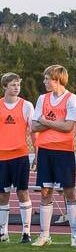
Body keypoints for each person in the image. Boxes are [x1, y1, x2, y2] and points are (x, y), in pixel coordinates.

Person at [30, 65, 76, 246]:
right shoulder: (42, 99)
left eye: (47, 79)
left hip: (64, 151)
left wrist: (45, 120)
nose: (44, 82)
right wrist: (54, 123)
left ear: (57, 79)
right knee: (45, 192)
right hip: (44, 150)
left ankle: (75, 235)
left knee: (69, 192)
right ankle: (45, 235)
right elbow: (34, 126)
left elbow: (69, 126)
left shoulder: (72, 99)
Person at [0, 73, 34, 243]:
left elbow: (34, 131)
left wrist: (38, 152)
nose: (16, 87)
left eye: (18, 84)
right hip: (1, 157)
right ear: (4, 86)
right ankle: (3, 232)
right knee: (2, 195)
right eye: (13, 84)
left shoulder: (27, 106)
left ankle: (26, 232)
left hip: (20, 155)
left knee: (22, 192)